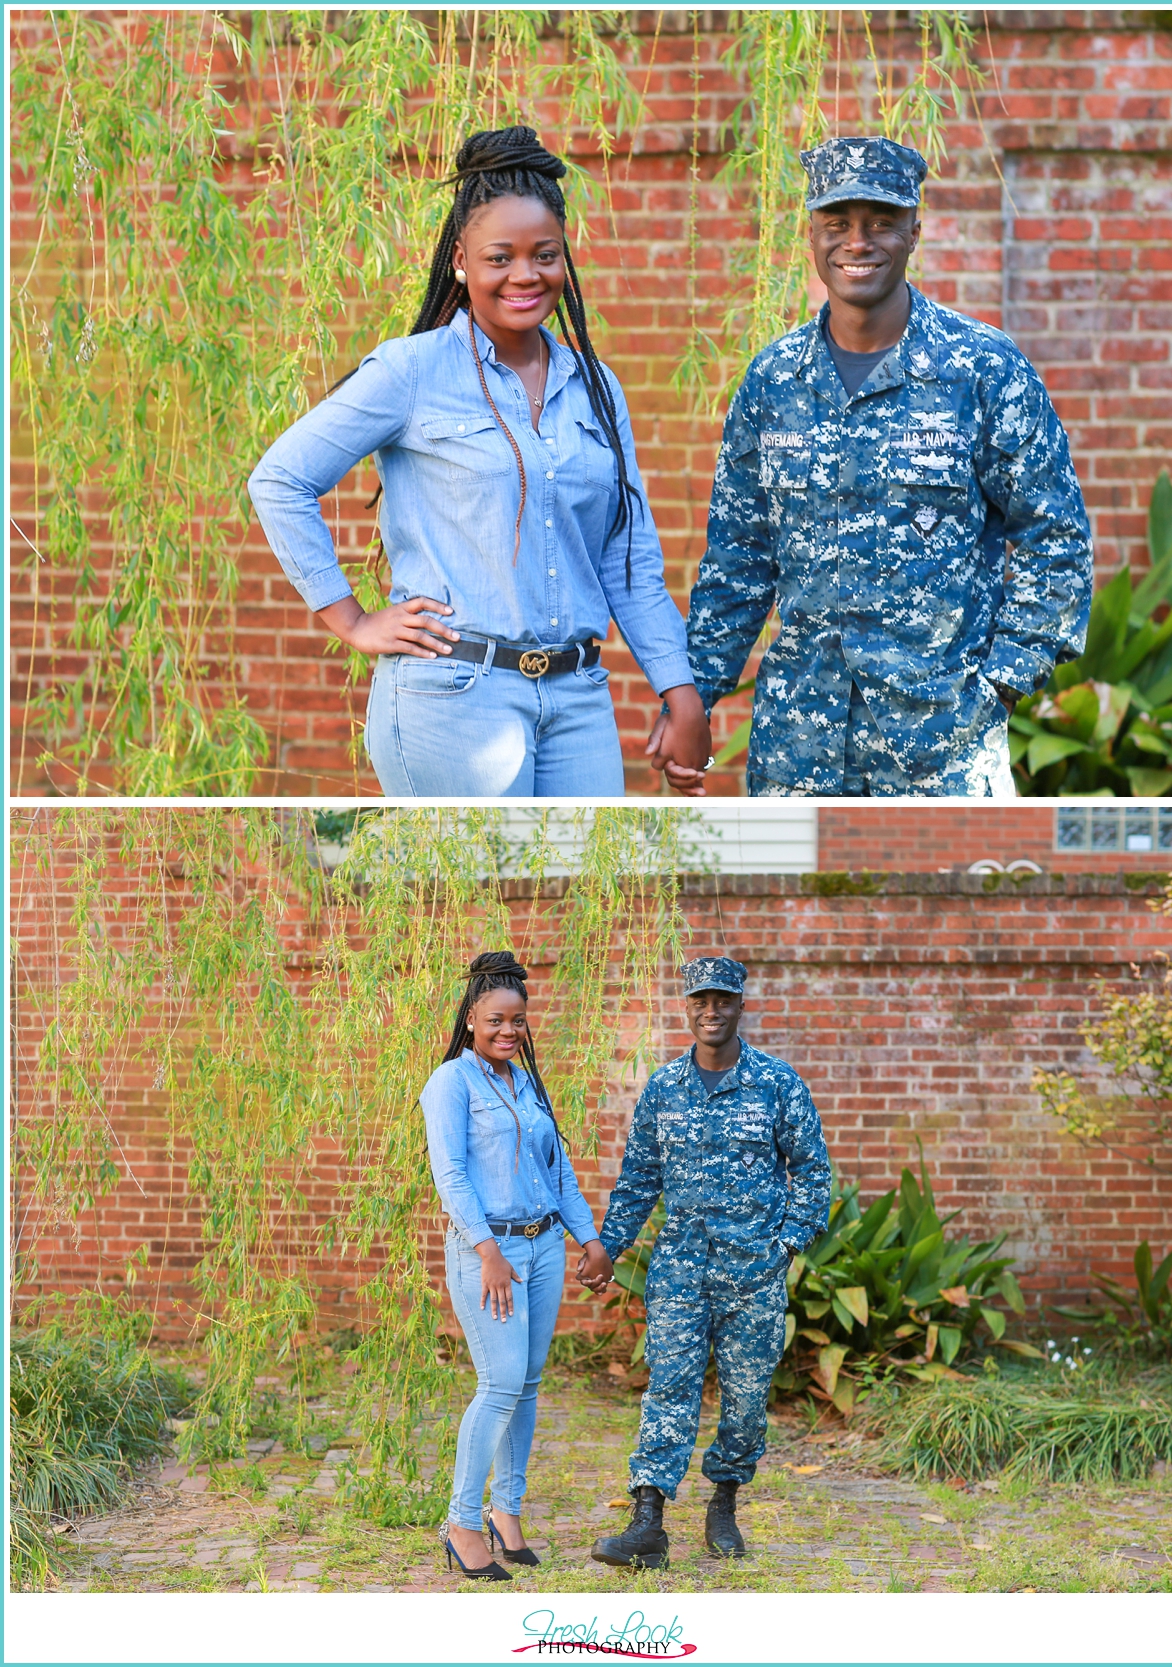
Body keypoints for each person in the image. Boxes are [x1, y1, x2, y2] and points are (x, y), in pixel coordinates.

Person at [248, 125, 711, 797]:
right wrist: (350, 620)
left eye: (544, 254)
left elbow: (626, 558)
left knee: (585, 892)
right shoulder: (412, 371)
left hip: (578, 698)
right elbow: (280, 479)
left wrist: (682, 693)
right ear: (462, 260)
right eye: (500, 257)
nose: (525, 274)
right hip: (454, 697)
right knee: (477, 898)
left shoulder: (597, 388)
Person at [661, 135, 1093, 798]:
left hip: (943, 755)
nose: (856, 242)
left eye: (881, 222)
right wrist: (696, 694)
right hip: (797, 752)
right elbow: (738, 564)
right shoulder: (773, 382)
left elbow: (1055, 535)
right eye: (837, 223)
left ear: (914, 230)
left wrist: (1001, 681)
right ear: (812, 232)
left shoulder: (982, 370)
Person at [583, 957, 830, 1568]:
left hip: (754, 1275)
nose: (711, 1010)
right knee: (669, 1390)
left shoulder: (778, 1084)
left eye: (723, 1000)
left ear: (741, 1005)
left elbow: (813, 1172)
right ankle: (648, 1520)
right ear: (687, 1007)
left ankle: (723, 1503)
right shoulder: (664, 1089)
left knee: (745, 1403)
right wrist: (607, 1248)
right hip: (680, 1272)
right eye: (701, 1000)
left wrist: (786, 1245)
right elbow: (639, 1178)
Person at [421, 951, 614, 1581]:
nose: (509, 1031)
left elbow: (555, 1170)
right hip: (490, 1254)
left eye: (519, 1022)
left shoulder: (525, 1083)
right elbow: (449, 1174)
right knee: (499, 1381)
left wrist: (589, 1239)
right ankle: (461, 1522)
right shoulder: (452, 1082)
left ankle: (507, 1512)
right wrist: (488, 1253)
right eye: (497, 1020)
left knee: (528, 1383)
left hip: (542, 1245)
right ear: (472, 1017)